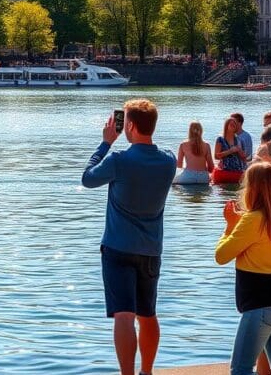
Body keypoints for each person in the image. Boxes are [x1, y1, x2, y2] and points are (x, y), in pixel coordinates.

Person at [82, 99, 176, 375]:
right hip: (150, 250)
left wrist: (106, 142)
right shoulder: (168, 160)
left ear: (130, 125)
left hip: (118, 248)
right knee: (148, 315)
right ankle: (147, 371)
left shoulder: (118, 160)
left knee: (124, 315)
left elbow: (87, 179)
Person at [215, 161, 271, 375]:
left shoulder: (252, 220)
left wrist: (229, 226)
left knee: (241, 369)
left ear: (252, 189)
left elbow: (221, 256)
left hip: (258, 306)